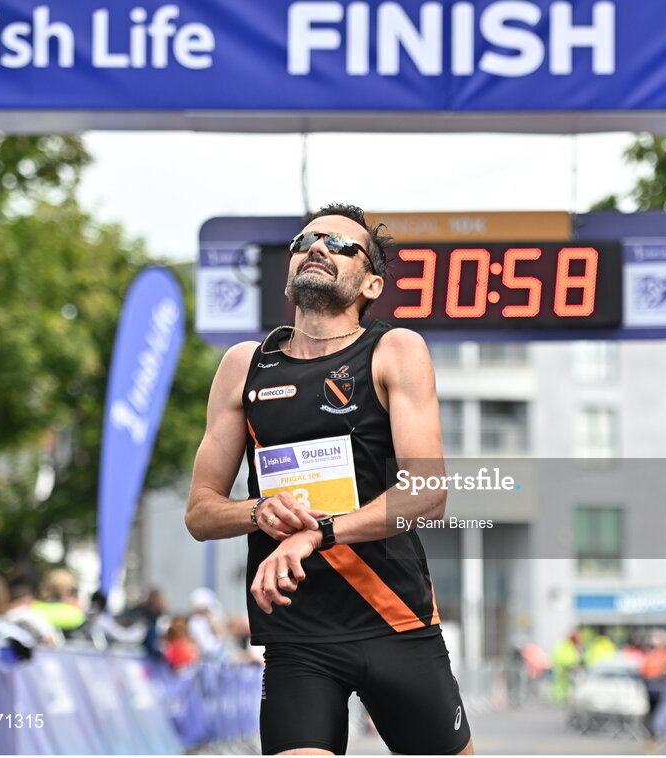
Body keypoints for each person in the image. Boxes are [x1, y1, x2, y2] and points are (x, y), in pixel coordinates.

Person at [185, 203, 473, 755]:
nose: (317, 247)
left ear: (370, 283)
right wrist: (257, 511)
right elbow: (200, 511)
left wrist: (318, 530)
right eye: (306, 240)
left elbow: (427, 493)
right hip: (297, 632)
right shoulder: (245, 364)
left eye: (341, 245)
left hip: (393, 619)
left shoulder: (395, 349)